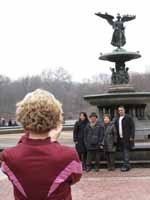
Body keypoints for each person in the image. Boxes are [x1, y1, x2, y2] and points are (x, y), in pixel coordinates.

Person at [0, 89, 82, 200]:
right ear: (56, 119)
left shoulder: (8, 157)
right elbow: (75, 178)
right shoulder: (69, 155)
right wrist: (52, 142)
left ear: (22, 117)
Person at [115, 106, 135, 172]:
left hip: (127, 138)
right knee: (123, 152)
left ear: (124, 110)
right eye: (119, 110)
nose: (120, 111)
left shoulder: (128, 117)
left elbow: (132, 127)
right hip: (120, 138)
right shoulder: (117, 119)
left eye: (121, 110)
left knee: (126, 152)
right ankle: (127, 165)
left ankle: (126, 166)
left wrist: (132, 136)